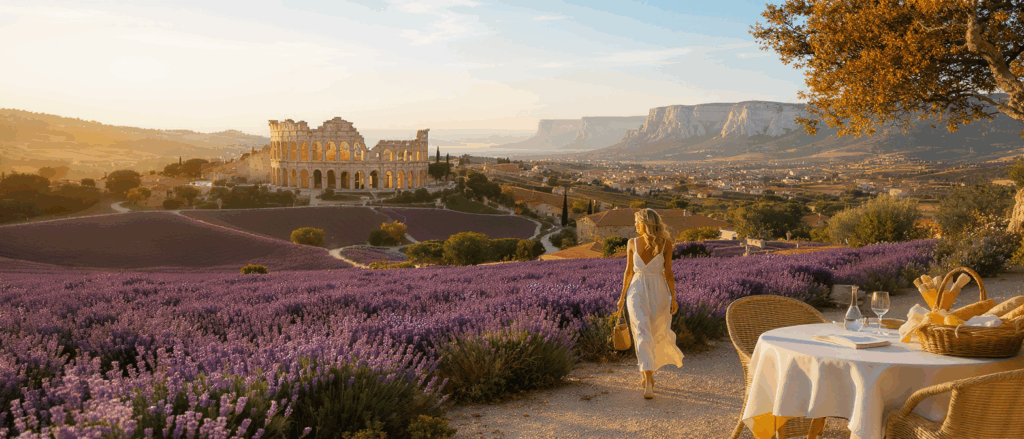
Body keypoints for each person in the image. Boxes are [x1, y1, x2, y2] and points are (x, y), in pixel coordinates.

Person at [617, 208, 684, 399]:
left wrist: (673, 298)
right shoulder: (631, 243)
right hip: (636, 290)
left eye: (636, 222)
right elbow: (628, 272)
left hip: (658, 291)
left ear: (644, 223)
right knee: (641, 331)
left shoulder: (666, 244)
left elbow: (668, 273)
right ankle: (647, 379)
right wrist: (622, 298)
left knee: (655, 332)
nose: (635, 225)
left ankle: (649, 372)